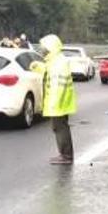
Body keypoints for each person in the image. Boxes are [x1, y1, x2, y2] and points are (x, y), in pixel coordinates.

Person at [31, 35, 76, 165]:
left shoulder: (58, 63)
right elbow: (48, 71)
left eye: (44, 47)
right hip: (59, 101)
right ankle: (65, 154)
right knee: (59, 127)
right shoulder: (55, 61)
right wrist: (39, 66)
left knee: (60, 128)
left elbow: (58, 85)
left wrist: (54, 103)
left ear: (51, 47)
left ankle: (66, 156)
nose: (42, 49)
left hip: (58, 102)